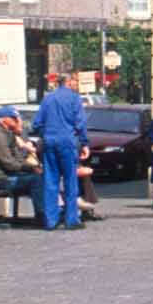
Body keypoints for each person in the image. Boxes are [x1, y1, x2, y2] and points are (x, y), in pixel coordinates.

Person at [30, 71, 89, 230]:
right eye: (75, 81)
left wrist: (47, 135)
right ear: (69, 82)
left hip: (49, 142)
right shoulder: (74, 98)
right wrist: (84, 143)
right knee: (70, 180)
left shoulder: (48, 98)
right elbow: (80, 123)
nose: (77, 84)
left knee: (50, 181)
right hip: (67, 142)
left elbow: (36, 124)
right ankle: (71, 220)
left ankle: (51, 221)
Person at [0, 110, 42, 222]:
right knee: (35, 180)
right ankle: (43, 214)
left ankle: (47, 212)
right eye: (15, 118)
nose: (18, 121)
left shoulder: (7, 134)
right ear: (4, 119)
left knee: (41, 176)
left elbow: (18, 159)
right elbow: (8, 163)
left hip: (7, 175)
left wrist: (36, 167)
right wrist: (30, 168)